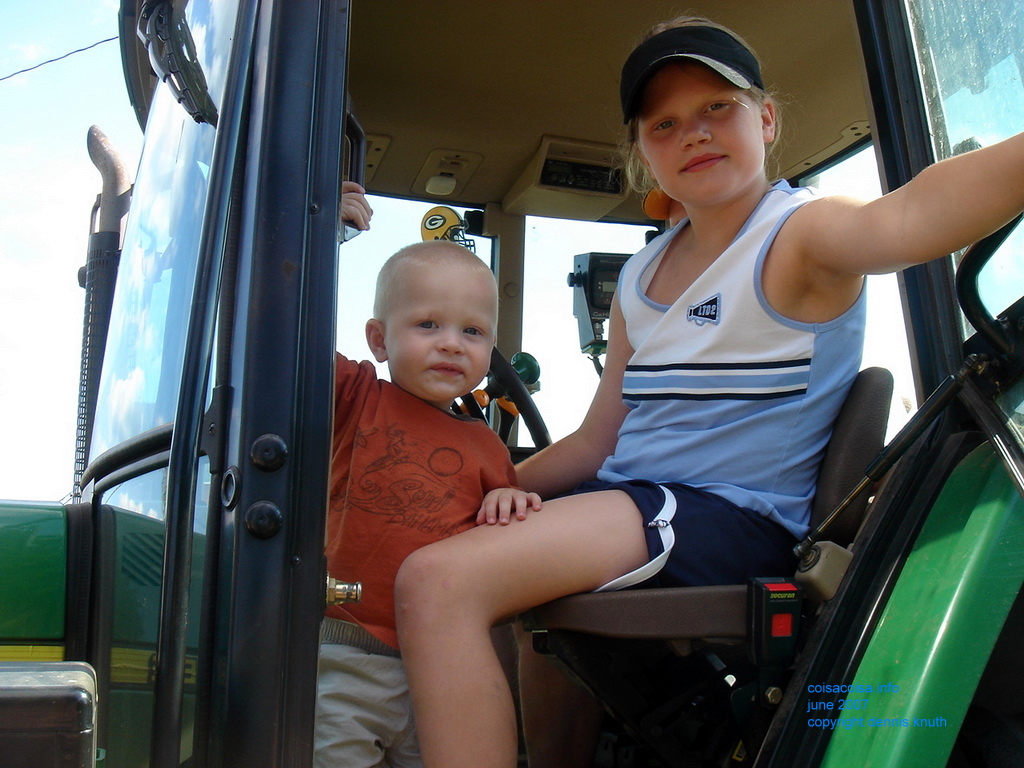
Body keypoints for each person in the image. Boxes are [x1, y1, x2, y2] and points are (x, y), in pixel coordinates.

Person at [392, 13, 1024, 768]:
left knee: (437, 583)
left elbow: (913, 213)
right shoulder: (640, 277)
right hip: (636, 497)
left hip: (731, 515)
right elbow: (599, 442)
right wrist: (473, 495)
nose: (693, 133)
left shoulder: (801, 236)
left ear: (764, 117)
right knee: (497, 586)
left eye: (717, 107)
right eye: (664, 123)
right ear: (643, 152)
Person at [315, 239, 541, 768]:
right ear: (379, 339)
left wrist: (510, 495)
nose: (451, 345)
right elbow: (294, 334)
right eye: (427, 326)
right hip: (349, 653)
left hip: (445, 665)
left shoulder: (487, 446)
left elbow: (500, 542)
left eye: (472, 331)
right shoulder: (358, 397)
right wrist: (324, 227)